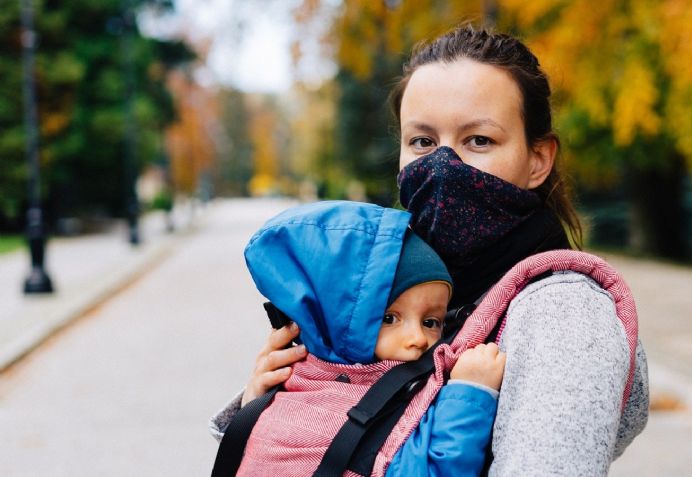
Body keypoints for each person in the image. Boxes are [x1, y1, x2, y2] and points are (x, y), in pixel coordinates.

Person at [212, 25, 649, 476]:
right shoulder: (400, 280)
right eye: (422, 141)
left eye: (479, 140)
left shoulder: (563, 313)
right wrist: (274, 404)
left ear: (538, 159)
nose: (442, 166)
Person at [220, 200, 506, 476]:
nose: (418, 338)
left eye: (431, 322)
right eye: (389, 318)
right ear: (336, 320)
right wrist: (470, 393)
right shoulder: (303, 406)